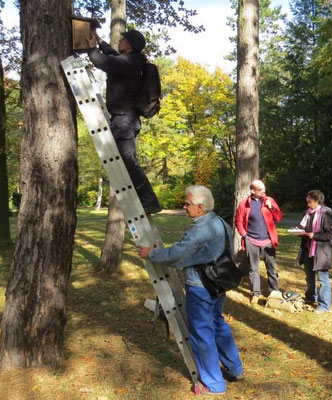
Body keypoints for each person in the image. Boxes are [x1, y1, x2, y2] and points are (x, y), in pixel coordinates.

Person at [137, 185, 244, 395]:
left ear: (200, 208)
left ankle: (214, 384)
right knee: (218, 324)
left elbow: (177, 255)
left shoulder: (201, 230)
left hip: (201, 287)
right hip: (218, 284)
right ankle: (235, 369)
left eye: (187, 203)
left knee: (202, 334)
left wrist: (153, 254)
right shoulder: (218, 222)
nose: (184, 207)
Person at [88, 28, 161, 214]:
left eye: (123, 39)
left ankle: (149, 200)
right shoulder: (131, 61)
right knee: (127, 159)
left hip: (124, 120)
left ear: (129, 44)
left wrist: (90, 48)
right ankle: (145, 198)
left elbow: (102, 61)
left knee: (127, 160)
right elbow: (111, 55)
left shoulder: (130, 62)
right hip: (126, 119)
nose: (119, 41)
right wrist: (98, 40)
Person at [235, 180, 282, 304]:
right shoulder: (244, 204)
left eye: (264, 189)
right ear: (253, 191)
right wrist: (245, 236)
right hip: (252, 241)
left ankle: (274, 292)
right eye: (261, 190)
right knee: (253, 269)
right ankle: (256, 293)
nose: (264, 191)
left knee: (271, 267)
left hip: (268, 241)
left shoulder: (269, 201)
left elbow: (278, 217)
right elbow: (238, 221)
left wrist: (271, 207)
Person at [295, 190, 332, 314]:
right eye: (307, 197)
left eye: (309, 198)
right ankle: (310, 297)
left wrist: (314, 235)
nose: (307, 200)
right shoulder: (306, 213)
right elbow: (304, 229)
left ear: (316, 200)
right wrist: (299, 232)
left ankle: (324, 305)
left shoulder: (325, 214)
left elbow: (331, 234)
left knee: (323, 279)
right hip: (308, 250)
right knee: (309, 276)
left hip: (321, 252)